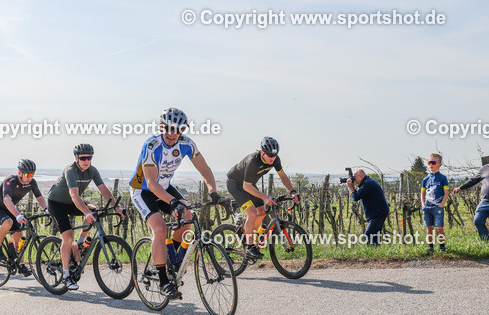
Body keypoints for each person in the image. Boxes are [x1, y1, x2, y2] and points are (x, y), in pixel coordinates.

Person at [129, 108, 220, 297]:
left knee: (187, 215)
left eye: (177, 129)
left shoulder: (187, 144)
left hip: (164, 186)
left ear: (182, 130)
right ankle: (163, 281)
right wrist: (172, 202)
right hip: (143, 190)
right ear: (162, 127)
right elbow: (152, 184)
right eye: (168, 128)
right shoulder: (152, 145)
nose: (172, 133)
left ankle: (173, 260)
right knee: (160, 229)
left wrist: (213, 192)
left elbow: (205, 169)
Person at [47, 143, 124, 290]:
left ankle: (80, 243)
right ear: (76, 158)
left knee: (95, 211)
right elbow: (74, 195)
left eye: (89, 158)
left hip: (72, 202)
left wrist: (117, 207)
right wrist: (85, 212)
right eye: (83, 158)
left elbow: (104, 190)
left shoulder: (92, 171)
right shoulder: (70, 170)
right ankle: (66, 275)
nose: (86, 161)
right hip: (56, 203)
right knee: (68, 236)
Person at [226, 137, 300, 259]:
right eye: (270, 156)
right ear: (262, 152)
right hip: (236, 184)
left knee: (262, 210)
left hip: (249, 184)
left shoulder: (275, 159)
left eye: (274, 156)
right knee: (252, 213)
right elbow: (246, 186)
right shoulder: (253, 161)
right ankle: (250, 247)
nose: (272, 158)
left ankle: (249, 234)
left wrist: (292, 191)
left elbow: (282, 176)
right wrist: (265, 197)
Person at [0, 159, 49, 277]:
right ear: (20, 173)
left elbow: (39, 198)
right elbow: (7, 200)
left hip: (7, 209)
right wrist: (18, 215)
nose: (30, 177)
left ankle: (20, 264)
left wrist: (47, 209)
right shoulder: (10, 181)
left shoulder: (32, 183)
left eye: (32, 175)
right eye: (28, 175)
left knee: (18, 235)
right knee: (8, 222)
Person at [347, 170, 390, 245]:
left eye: (355, 177)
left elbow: (356, 197)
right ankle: (376, 253)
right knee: (375, 236)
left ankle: (371, 253)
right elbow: (358, 194)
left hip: (378, 213)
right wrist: (353, 187)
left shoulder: (368, 184)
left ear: (360, 177)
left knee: (369, 234)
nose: (354, 179)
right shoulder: (367, 182)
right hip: (379, 212)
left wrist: (350, 187)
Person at [420, 154, 448, 252]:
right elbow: (422, 193)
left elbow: (446, 193)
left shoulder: (443, 178)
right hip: (428, 207)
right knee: (429, 228)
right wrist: (423, 204)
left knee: (439, 227)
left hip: (438, 207)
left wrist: (441, 204)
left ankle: (442, 247)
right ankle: (430, 247)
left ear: (439, 164)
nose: (431, 164)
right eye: (429, 162)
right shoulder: (425, 179)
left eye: (434, 162)